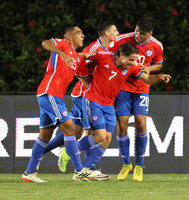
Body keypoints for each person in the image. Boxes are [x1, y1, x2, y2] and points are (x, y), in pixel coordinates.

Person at [77, 42, 170, 182]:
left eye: (135, 60)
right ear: (121, 56)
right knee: (101, 136)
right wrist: (71, 61)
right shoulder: (103, 56)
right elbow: (82, 57)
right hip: (94, 101)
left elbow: (147, 78)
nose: (134, 63)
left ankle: (85, 170)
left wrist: (159, 76)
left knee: (107, 139)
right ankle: (71, 150)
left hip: (109, 104)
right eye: (131, 60)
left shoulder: (131, 67)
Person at [21, 24, 102, 183]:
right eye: (79, 33)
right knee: (70, 128)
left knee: (45, 135)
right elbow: (45, 43)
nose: (83, 36)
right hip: (49, 93)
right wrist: (62, 54)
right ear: (69, 37)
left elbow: (86, 79)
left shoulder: (78, 59)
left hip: (53, 96)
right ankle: (79, 171)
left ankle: (29, 173)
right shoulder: (63, 45)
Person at [41, 21, 119, 180]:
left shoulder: (108, 49)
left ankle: (41, 152)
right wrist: (94, 85)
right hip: (87, 96)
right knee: (96, 134)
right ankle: (86, 170)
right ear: (107, 33)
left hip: (85, 95)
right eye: (115, 31)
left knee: (76, 132)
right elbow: (79, 65)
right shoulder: (94, 48)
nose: (118, 34)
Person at [108, 16, 163, 182]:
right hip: (123, 87)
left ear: (150, 33)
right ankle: (126, 164)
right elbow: (111, 57)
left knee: (141, 124)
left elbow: (158, 64)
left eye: (143, 34)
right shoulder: (122, 39)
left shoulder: (156, 45)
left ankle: (139, 165)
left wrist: (149, 68)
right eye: (137, 32)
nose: (138, 36)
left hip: (142, 87)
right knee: (122, 125)